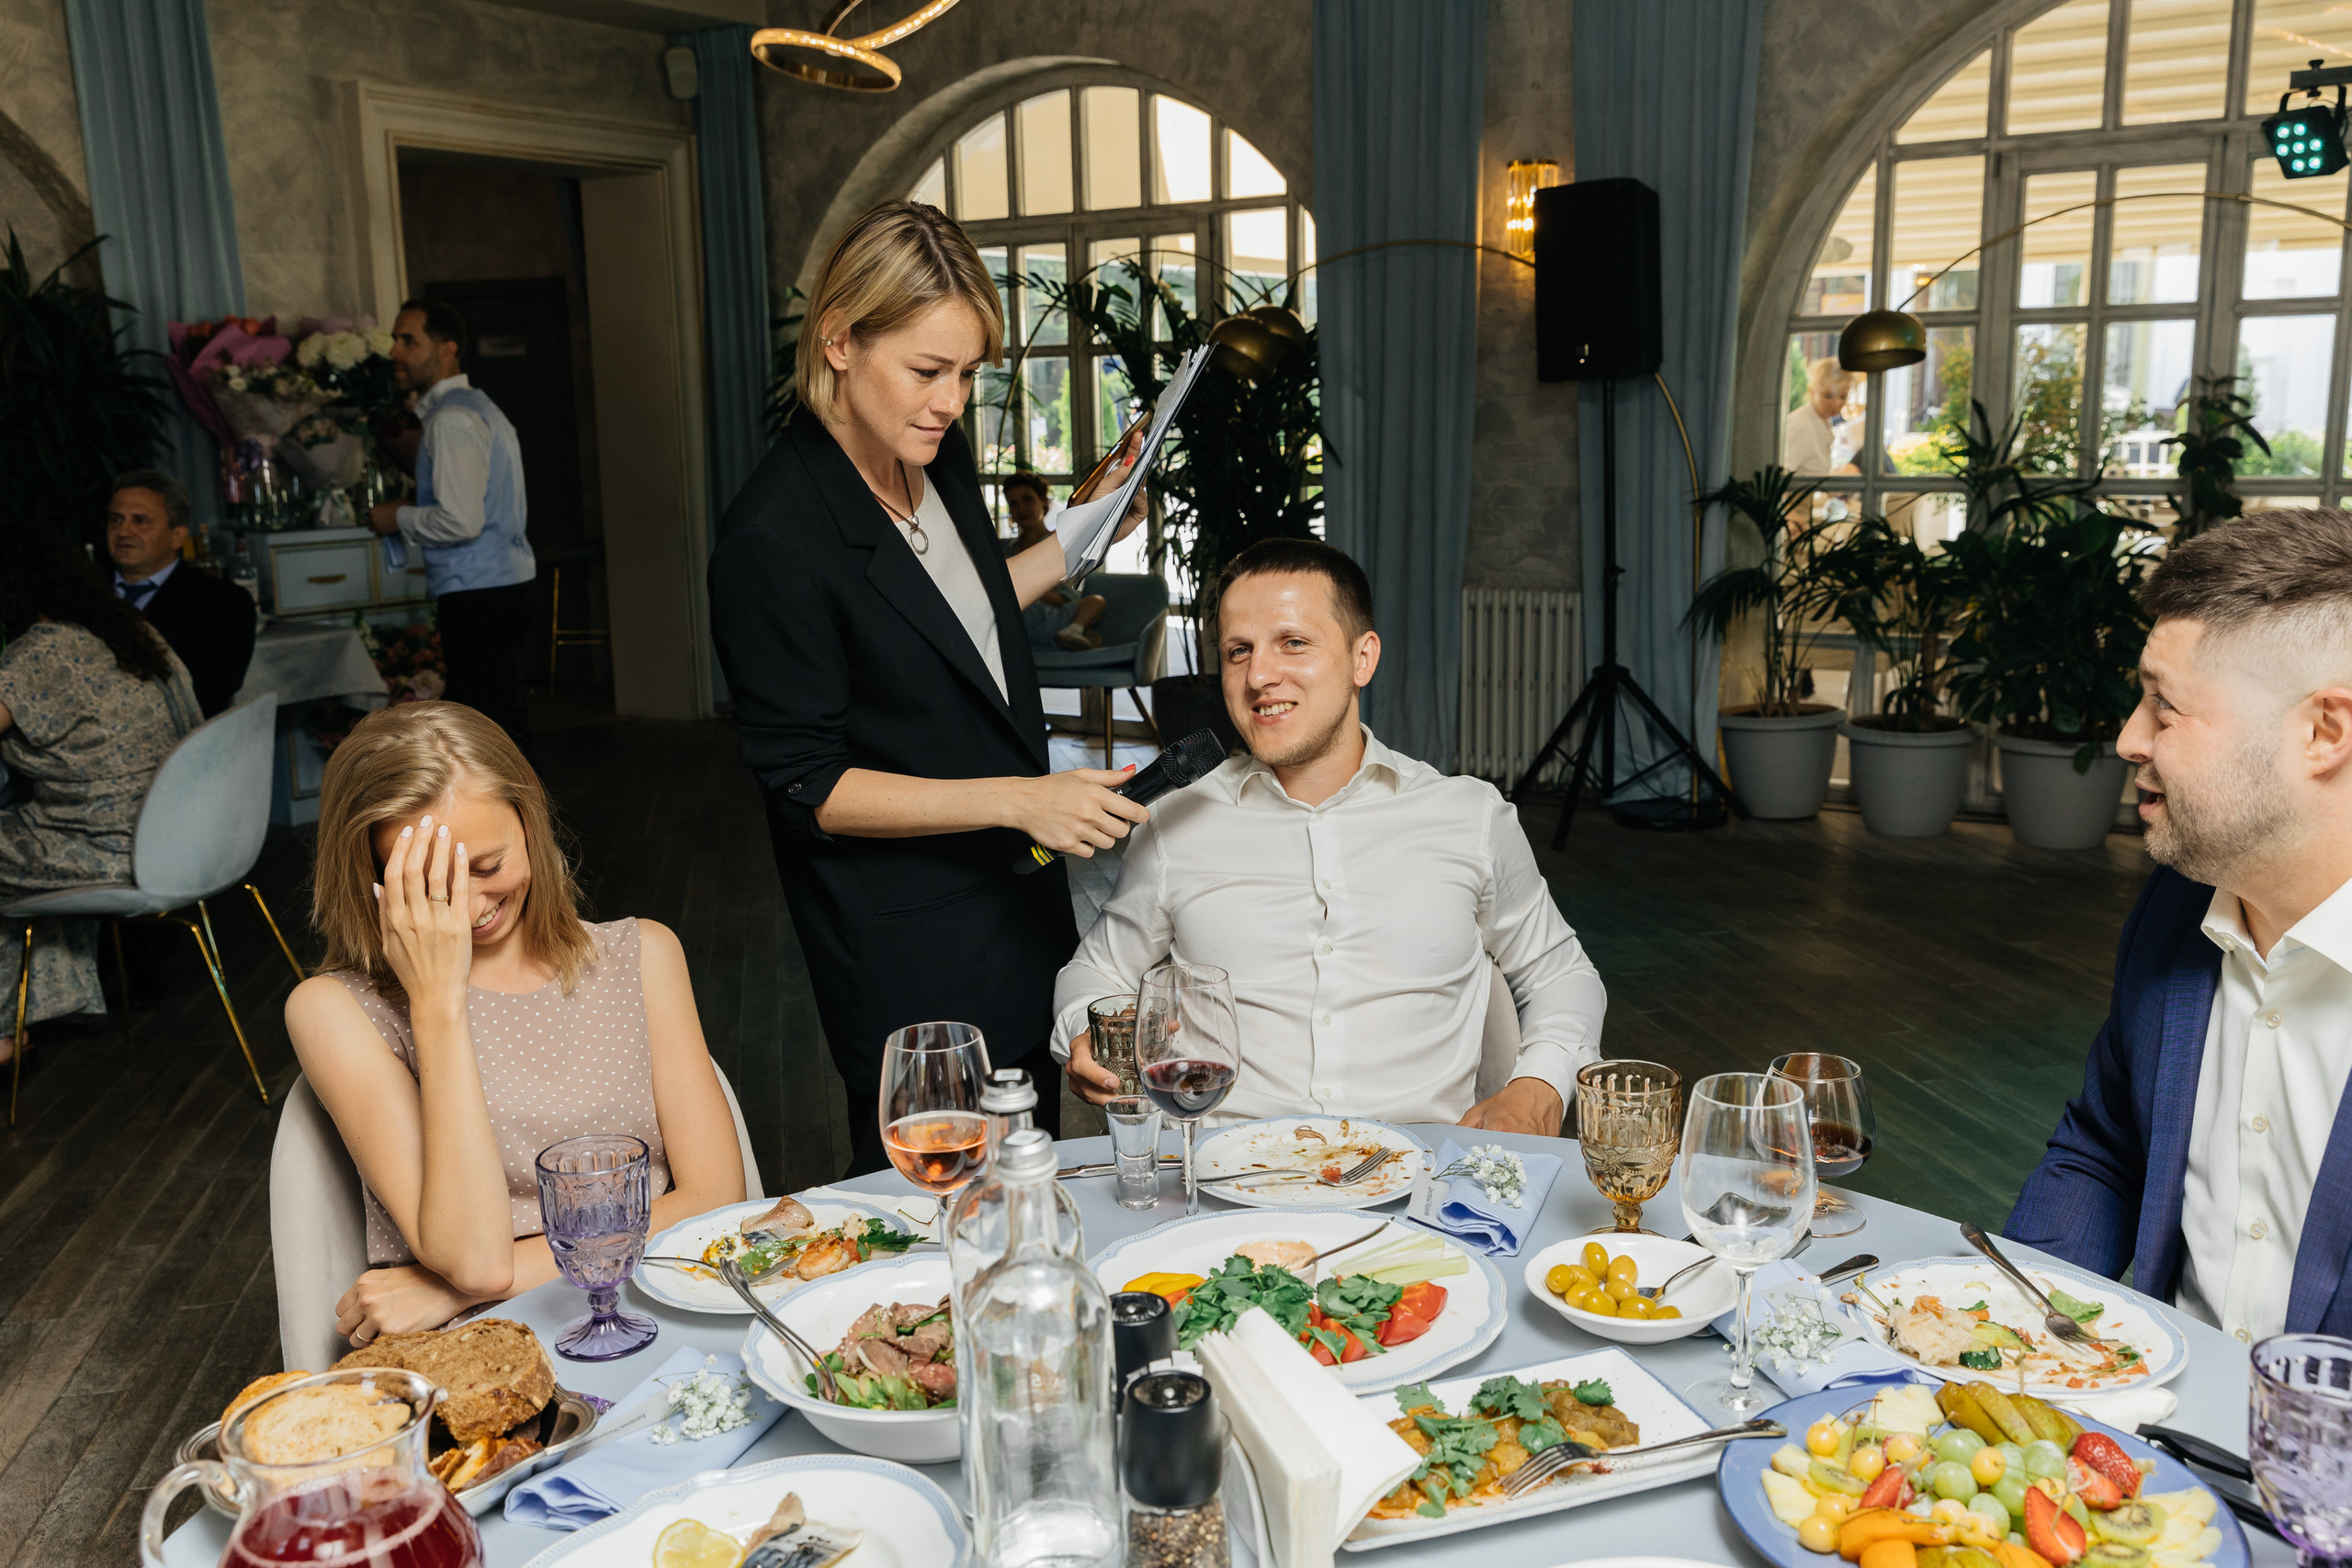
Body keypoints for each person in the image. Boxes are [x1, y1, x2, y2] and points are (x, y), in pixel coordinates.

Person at [707, 199, 1149, 1177]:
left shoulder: (928, 449)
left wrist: (1077, 539)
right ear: (838, 342)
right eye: (926, 370)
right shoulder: (772, 541)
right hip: (909, 944)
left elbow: (956, 608)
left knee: (1026, 1179)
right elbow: (808, 785)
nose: (951, 402)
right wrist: (1018, 798)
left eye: (966, 374)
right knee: (945, 1209)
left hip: (1011, 899)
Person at [1052, 537, 1607, 1134]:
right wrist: (1085, 1029)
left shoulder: (1469, 816)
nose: (1259, 675)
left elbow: (1563, 975)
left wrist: (1538, 1084)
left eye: (1293, 642)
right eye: (1238, 650)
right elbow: (1095, 973)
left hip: (1422, 1191)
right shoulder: (1175, 825)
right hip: (1225, 1190)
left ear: (1361, 658)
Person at [282, 701, 745, 1344]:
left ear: (529, 826)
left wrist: (444, 1288)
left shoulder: (643, 955)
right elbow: (476, 1256)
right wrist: (437, 1003)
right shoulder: (333, 1011)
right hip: (477, 1350)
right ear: (371, 879)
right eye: (431, 885)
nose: (470, 907)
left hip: (659, 1302)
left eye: (488, 866)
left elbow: (718, 1200)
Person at [2007, 508, 2352, 1341]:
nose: (2128, 738)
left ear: (2323, 731)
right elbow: (2106, 1145)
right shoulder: (2176, 908)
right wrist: (2011, 1338)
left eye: (2165, 708)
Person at [0, 524, 200, 1063]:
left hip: (110, 850)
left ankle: (3, 1031)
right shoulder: (126, 628)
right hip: (188, 836)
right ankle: (32, 1010)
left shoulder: (42, 651)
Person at [367, 298, 537, 758]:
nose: (395, 352)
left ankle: (534, 825)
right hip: (496, 583)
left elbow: (461, 520)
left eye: (409, 340)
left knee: (497, 734)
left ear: (447, 349)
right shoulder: (476, 408)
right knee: (477, 727)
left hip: (478, 589)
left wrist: (395, 517)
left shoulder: (453, 418)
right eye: (395, 340)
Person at [105, 469, 256, 717]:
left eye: (140, 520)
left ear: (177, 536)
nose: (123, 531)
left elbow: (210, 689)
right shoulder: (79, 594)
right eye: (115, 519)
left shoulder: (223, 602)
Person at [1001, 471, 1109, 652]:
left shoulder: (1062, 545)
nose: (1021, 508)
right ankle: (1081, 635)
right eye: (1014, 503)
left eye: (1027, 499)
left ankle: (1073, 632)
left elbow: (1066, 600)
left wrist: (1021, 589)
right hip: (1015, 620)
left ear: (1043, 501)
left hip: (1054, 615)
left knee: (1096, 602)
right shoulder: (1005, 553)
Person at [1783, 357, 1858, 476]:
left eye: (1843, 397)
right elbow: (1780, 475)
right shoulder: (1802, 425)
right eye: (1828, 396)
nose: (1836, 403)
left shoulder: (1823, 421)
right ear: (1811, 391)